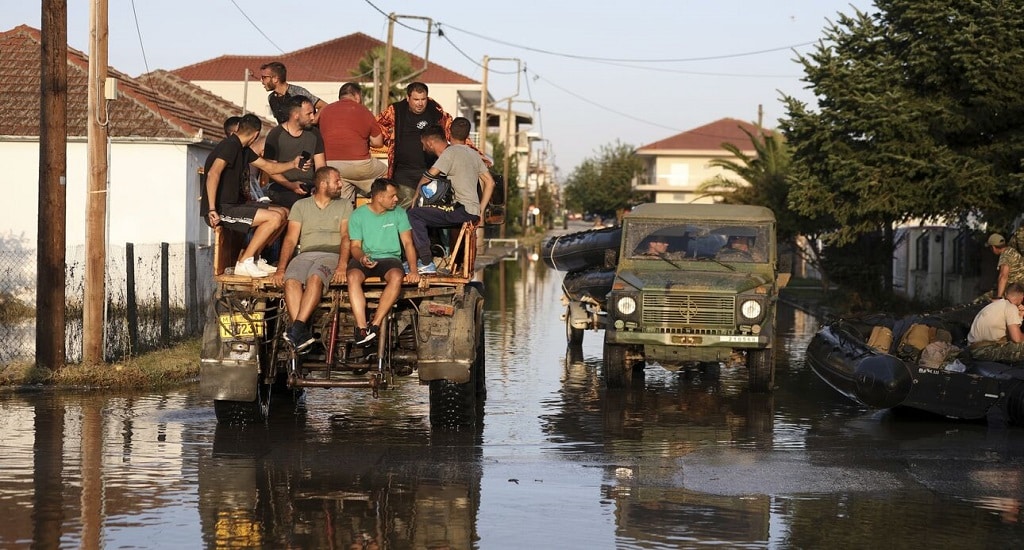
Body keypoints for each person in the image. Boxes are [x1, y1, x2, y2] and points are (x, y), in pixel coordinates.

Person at [202, 114, 304, 278]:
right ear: (256, 134)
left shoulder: (243, 149)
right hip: (222, 209)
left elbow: (269, 168)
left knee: (284, 213)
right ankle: (244, 261)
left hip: (237, 205)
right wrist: (212, 208)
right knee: (273, 218)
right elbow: (213, 173)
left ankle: (255, 258)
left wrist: (293, 164)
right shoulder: (229, 146)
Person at [270, 167, 352, 352]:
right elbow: (290, 239)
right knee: (291, 281)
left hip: (331, 254)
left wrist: (342, 265)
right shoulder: (301, 206)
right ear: (323, 184)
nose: (341, 184)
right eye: (337, 181)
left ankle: (296, 329)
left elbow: (346, 236)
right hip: (305, 254)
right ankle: (301, 334)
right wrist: (281, 268)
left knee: (315, 278)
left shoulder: (345, 205)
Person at [407, 125, 495, 274]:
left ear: (449, 133)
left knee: (414, 214)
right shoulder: (474, 154)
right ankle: (442, 258)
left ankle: (426, 261)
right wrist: (481, 209)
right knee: (433, 213)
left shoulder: (450, 152)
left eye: (423, 145)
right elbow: (490, 182)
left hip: (461, 210)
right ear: (467, 135)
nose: (423, 149)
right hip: (471, 211)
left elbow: (429, 176)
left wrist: (416, 196)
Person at [377, 82, 476, 207]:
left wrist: (473, 155)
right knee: (404, 212)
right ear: (408, 98)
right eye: (416, 99)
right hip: (403, 173)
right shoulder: (395, 110)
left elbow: (456, 134)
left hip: (430, 171)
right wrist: (387, 140)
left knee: (429, 212)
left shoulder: (436, 112)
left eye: (423, 99)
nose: (420, 103)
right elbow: (377, 126)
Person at [346, 178, 421, 345]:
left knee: (396, 276)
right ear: (379, 197)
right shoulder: (358, 215)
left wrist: (414, 270)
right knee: (352, 277)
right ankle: (361, 328)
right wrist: (362, 258)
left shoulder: (399, 213)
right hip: (366, 257)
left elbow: (408, 243)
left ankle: (375, 325)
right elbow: (355, 246)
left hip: (389, 258)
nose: (396, 199)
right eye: (392, 196)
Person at [317, 82, 387, 201]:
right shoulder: (363, 110)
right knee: (387, 173)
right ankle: (379, 205)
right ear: (358, 96)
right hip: (359, 164)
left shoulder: (325, 110)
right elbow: (377, 142)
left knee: (343, 202)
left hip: (330, 165)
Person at [263, 96, 326, 209]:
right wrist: (291, 185)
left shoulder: (314, 133)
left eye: (313, 113)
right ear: (296, 115)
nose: (313, 117)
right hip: (282, 185)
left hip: (308, 185)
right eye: (309, 114)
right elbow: (270, 169)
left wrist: (318, 186)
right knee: (297, 202)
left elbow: (321, 166)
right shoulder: (276, 134)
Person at [967, 282, 1024, 362]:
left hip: (974, 348)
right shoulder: (1011, 307)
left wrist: (1020, 316)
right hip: (982, 351)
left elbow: (1008, 331)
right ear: (1022, 297)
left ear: (1006, 293)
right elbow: (1016, 339)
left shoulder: (995, 304)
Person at [260, 61, 327, 124]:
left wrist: (313, 121)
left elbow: (324, 105)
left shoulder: (297, 92)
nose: (261, 81)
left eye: (264, 77)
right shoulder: (271, 98)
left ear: (275, 79)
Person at [992, 233, 1024, 300]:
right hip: (1019, 289)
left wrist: (999, 297)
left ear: (993, 247)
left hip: (1016, 291)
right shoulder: (1011, 250)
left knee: (983, 301)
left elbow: (1003, 276)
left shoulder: (1005, 256)